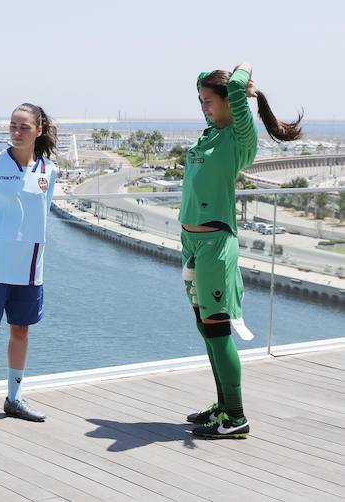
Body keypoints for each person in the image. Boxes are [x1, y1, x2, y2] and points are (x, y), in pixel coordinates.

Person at [181, 63, 302, 438]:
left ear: (232, 103)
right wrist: (206, 81)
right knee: (205, 328)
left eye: (210, 101)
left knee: (218, 331)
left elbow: (236, 80)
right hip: (192, 244)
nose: (204, 107)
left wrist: (243, 81)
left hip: (216, 243)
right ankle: (222, 405)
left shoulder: (238, 136)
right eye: (201, 101)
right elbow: (212, 86)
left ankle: (235, 417)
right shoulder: (209, 135)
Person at [0, 104, 58, 427]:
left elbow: (41, 215)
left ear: (38, 130)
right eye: (13, 126)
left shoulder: (50, 171)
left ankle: (14, 398)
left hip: (30, 269)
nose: (17, 132)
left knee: (20, 330)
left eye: (23, 127)